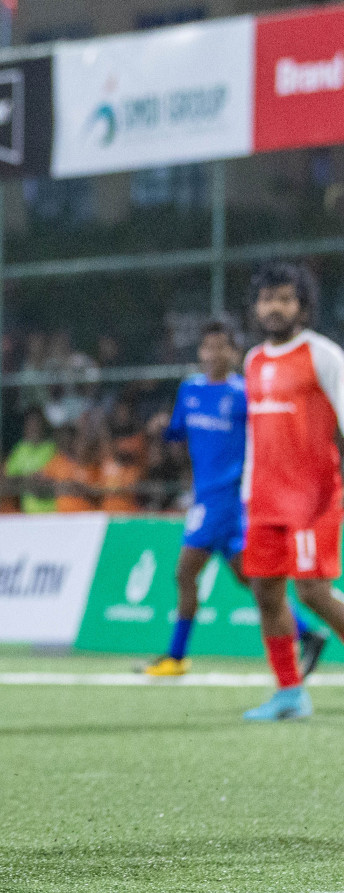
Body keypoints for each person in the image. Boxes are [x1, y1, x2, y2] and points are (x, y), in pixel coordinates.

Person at [144, 321, 326, 677]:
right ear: (200, 352)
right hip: (206, 497)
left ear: (233, 352)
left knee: (184, 573)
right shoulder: (190, 391)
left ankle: (176, 657)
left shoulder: (244, 393)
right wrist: (161, 430)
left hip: (226, 501)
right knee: (253, 582)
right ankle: (308, 633)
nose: (213, 354)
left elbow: (268, 436)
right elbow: (178, 434)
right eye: (207, 347)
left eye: (221, 347)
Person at [240, 263, 344, 720]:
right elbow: (254, 435)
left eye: (284, 298)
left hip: (314, 499)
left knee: (313, 592)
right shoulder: (253, 360)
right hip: (263, 498)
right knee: (265, 591)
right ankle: (289, 693)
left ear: (302, 306)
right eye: (266, 299)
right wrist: (247, 491)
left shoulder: (322, 355)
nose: (274, 307)